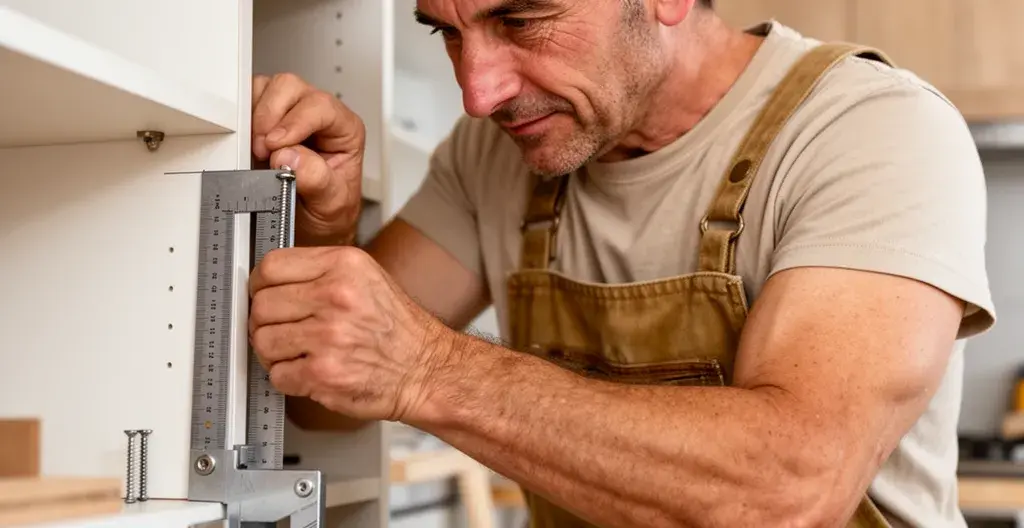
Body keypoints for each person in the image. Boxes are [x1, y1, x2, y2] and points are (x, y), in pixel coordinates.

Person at [246, 0, 997, 526]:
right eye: (446, 32)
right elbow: (325, 399)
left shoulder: (869, 129)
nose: (478, 93)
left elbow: (786, 495)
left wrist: (426, 369)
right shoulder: (494, 155)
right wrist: (325, 221)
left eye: (522, 18)